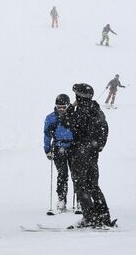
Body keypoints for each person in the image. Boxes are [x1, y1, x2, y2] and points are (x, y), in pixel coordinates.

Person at [61, 83, 114, 228]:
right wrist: (95, 148)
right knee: (93, 186)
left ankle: (90, 217)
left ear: (79, 96)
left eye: (76, 95)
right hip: (92, 155)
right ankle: (103, 216)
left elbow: (65, 121)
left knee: (81, 186)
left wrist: (72, 106)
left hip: (81, 154)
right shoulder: (96, 110)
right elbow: (103, 131)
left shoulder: (81, 112)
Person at [43, 94, 74, 213]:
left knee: (76, 175)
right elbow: (46, 135)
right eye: (59, 107)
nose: (61, 109)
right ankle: (61, 199)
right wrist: (47, 149)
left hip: (73, 148)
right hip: (58, 147)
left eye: (63, 107)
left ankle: (79, 200)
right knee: (62, 174)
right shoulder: (51, 118)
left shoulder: (74, 116)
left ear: (68, 106)